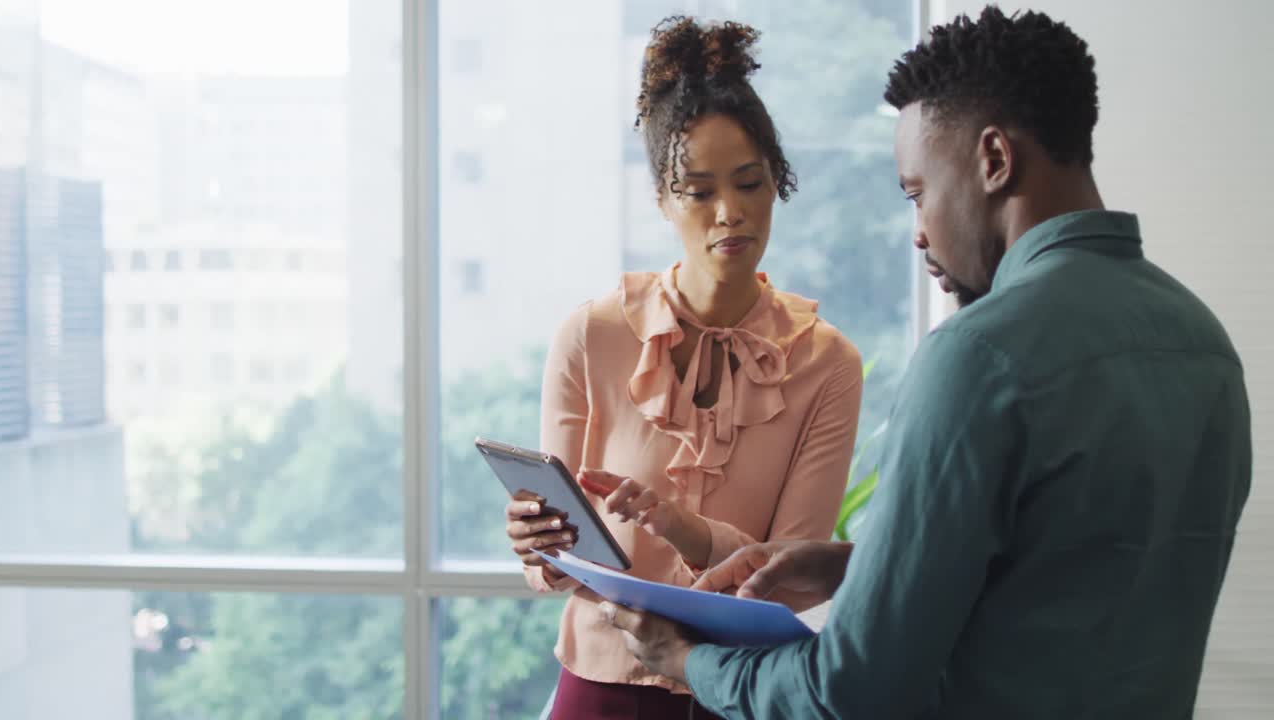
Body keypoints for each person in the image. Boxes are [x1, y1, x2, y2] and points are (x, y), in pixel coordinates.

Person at [597, 7, 1253, 719]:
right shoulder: (1204, 345)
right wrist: (863, 569)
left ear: (994, 160)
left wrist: (686, 660)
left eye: (918, 194)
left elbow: (848, 691)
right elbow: (1073, 577)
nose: (918, 233)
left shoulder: (981, 356)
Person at [501, 16, 864, 720]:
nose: (730, 213)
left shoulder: (828, 365)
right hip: (599, 688)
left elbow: (792, 583)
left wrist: (681, 527)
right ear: (663, 201)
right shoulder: (589, 336)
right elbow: (559, 568)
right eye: (699, 192)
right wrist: (535, 544)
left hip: (739, 692)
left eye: (749, 183)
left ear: (776, 182)